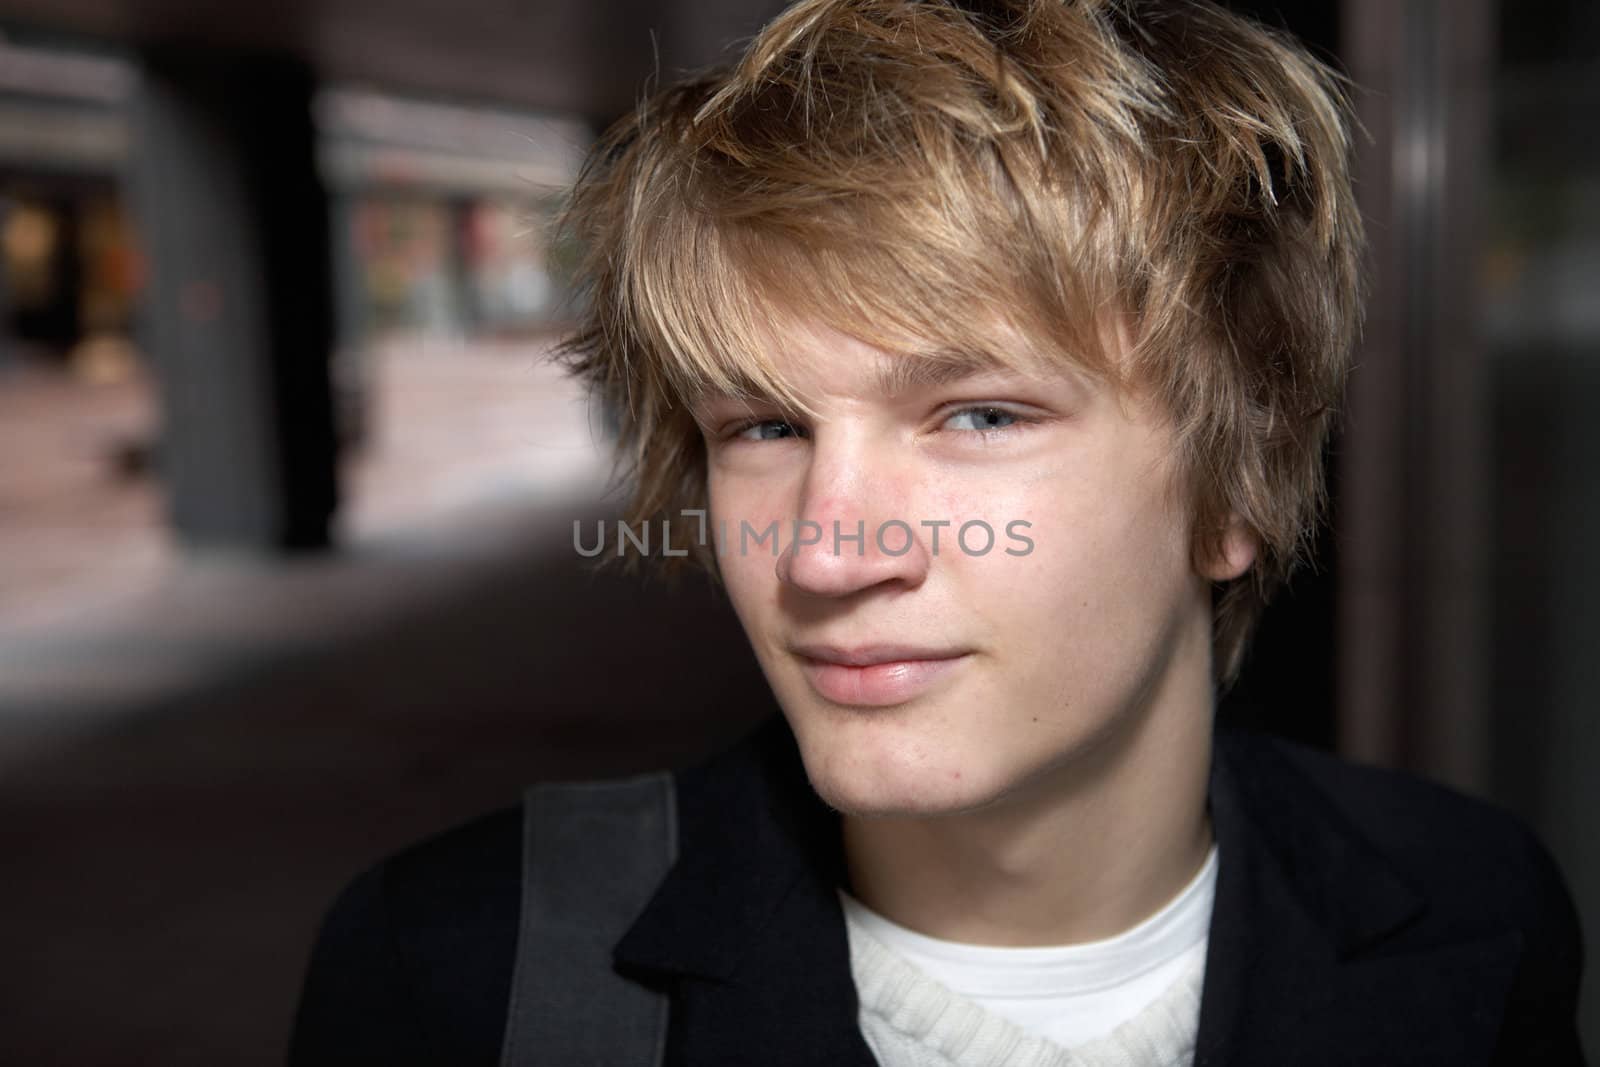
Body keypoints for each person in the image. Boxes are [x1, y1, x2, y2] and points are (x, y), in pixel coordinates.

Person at [288, 0, 1587, 1064]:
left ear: (1231, 489)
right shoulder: (461, 971)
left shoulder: (1474, 913)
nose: (824, 554)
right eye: (764, 429)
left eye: (975, 417)